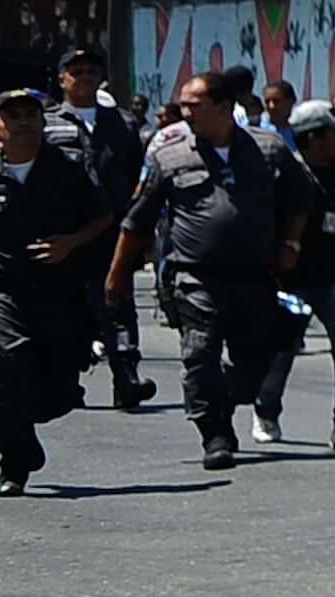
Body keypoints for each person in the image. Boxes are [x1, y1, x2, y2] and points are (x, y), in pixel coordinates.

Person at [108, 68, 298, 471]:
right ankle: (214, 434)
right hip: (195, 276)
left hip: (254, 277)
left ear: (225, 107)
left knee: (255, 361)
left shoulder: (268, 150)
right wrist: (117, 275)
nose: (186, 113)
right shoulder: (170, 154)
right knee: (199, 352)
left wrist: (291, 244)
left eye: (195, 106)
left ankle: (226, 397)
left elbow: (302, 198)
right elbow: (137, 219)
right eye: (184, 105)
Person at [0, 83, 106, 493]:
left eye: (31, 115)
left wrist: (71, 243)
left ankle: (27, 432)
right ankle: (13, 463)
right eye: (14, 116)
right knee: (8, 371)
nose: (24, 123)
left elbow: (102, 217)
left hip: (57, 294)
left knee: (58, 393)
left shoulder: (68, 171)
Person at [45, 45, 157, 411]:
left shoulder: (121, 123)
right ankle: (67, 379)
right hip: (67, 233)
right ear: (62, 79)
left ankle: (127, 379)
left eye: (92, 71)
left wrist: (142, 227)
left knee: (119, 302)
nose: (85, 78)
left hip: (114, 232)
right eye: (77, 71)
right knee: (69, 306)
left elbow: (137, 177)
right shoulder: (47, 123)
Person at [260, 102, 335, 452]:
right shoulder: (284, 173)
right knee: (281, 350)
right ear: (313, 137)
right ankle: (266, 410)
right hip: (292, 279)